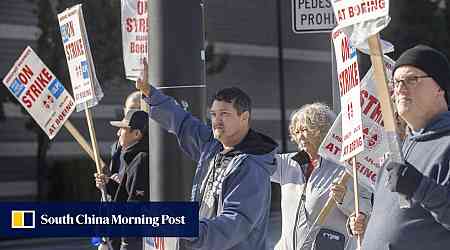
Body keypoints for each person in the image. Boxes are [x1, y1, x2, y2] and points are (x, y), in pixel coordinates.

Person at [136, 76, 278, 249]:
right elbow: (182, 122)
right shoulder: (212, 146)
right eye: (213, 114)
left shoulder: (251, 166)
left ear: (244, 117)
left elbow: (234, 222)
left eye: (224, 114)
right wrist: (150, 93)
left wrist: (187, 231)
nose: (216, 120)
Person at [357, 45, 450, 250]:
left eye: (411, 79)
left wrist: (419, 187)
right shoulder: (397, 149)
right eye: (396, 82)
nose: (399, 88)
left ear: (440, 88)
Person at [272, 103, 371, 250]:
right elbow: (256, 163)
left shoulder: (347, 167)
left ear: (323, 130)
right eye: (297, 131)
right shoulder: (288, 163)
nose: (300, 136)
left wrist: (345, 198)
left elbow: (365, 212)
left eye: (305, 129)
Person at [95, 109, 150, 250]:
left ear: (137, 134)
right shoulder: (131, 157)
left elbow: (134, 208)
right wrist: (109, 184)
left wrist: (126, 245)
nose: (118, 133)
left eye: (123, 129)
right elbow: (125, 193)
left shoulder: (141, 160)